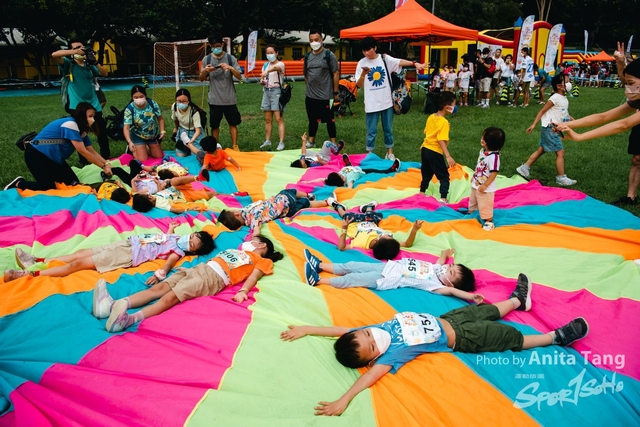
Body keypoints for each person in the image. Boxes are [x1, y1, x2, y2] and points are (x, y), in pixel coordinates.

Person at [280, 274, 589, 416]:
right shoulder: (391, 355)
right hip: (464, 339)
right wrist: (344, 399)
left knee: (487, 310)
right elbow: (368, 378)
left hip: (452, 317)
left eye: (368, 336)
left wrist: (308, 329)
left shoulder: (374, 329)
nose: (374, 339)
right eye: (372, 347)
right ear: (373, 359)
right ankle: (556, 337)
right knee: (508, 338)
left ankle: (518, 300)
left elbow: (340, 329)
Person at [94, 235, 282, 332]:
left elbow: (253, 277)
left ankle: (127, 320)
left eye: (252, 240)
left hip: (213, 278)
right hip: (201, 268)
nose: (248, 241)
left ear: (262, 245)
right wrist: (191, 270)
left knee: (170, 297)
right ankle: (109, 307)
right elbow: (256, 234)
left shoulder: (263, 260)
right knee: (159, 288)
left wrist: (243, 291)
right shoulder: (243, 250)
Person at [558, 48, 640, 205]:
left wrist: (580, 136)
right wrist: (566, 124)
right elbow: (604, 116)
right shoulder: (637, 100)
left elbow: (623, 125)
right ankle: (631, 197)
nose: (627, 88)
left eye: (631, 83)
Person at [3, 223, 214, 283]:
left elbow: (168, 263)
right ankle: (38, 259)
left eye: (193, 244)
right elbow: (164, 239)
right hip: (126, 243)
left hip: (127, 255)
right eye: (193, 236)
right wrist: (171, 229)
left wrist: (159, 275)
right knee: (80, 253)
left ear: (192, 251)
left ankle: (27, 274)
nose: (189, 240)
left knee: (77, 265)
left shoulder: (178, 251)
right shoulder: (176, 238)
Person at [5, 102, 114, 192]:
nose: (93, 119)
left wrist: (106, 164)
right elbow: (83, 151)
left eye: (93, 116)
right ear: (81, 116)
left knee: (73, 183)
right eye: (90, 116)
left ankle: (51, 176)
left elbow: (92, 151)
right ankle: (19, 183)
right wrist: (103, 166)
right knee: (48, 187)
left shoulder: (82, 131)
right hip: (36, 155)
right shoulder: (71, 125)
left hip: (54, 160)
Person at [303, 248, 477, 299]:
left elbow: (453, 291)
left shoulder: (435, 285)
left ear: (449, 283)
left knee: (352, 279)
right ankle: (320, 265)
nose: (447, 268)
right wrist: (446, 253)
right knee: (352, 265)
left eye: (451, 272)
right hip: (386, 267)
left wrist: (471, 297)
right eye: (451, 266)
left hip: (386, 279)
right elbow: (441, 260)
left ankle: (317, 280)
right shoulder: (436, 268)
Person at [355, 37, 425, 160]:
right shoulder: (361, 63)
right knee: (371, 131)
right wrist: (363, 75)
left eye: (369, 50)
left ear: (375, 47)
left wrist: (415, 64)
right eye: (364, 51)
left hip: (386, 101)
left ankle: (390, 153)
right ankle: (369, 154)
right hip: (371, 103)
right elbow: (359, 85)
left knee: (388, 129)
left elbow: (399, 62)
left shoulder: (384, 59)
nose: (366, 53)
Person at [51, 39, 110, 161]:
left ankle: (106, 156)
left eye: (82, 47)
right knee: (80, 133)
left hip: (94, 104)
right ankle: (83, 159)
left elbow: (105, 73)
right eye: (77, 48)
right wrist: (74, 52)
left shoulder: (89, 66)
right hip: (77, 105)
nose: (80, 50)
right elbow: (54, 54)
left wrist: (94, 61)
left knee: (101, 132)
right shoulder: (68, 64)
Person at [517, 75, 576, 186]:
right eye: (566, 82)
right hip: (550, 129)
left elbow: (564, 112)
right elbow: (542, 111)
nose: (569, 84)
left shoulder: (563, 98)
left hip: (552, 128)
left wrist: (574, 121)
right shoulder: (555, 98)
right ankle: (561, 178)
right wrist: (534, 124)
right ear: (559, 86)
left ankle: (524, 168)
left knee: (542, 149)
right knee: (560, 153)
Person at [330, 201, 423, 261]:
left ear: (376, 239)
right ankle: (368, 207)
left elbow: (341, 247)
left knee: (345, 216)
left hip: (355, 222)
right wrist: (414, 229)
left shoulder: (361, 243)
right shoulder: (387, 243)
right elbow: (407, 244)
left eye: (387, 235)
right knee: (374, 216)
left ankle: (338, 206)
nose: (389, 234)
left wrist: (344, 228)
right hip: (371, 221)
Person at [217, 189, 337, 235]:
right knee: (302, 200)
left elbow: (255, 229)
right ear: (236, 214)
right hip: (286, 206)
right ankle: (326, 201)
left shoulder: (247, 216)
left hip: (283, 203)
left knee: (301, 201)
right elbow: (256, 231)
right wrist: (254, 237)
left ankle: (320, 200)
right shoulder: (252, 219)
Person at [198, 33, 243, 151]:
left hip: (229, 99)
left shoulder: (230, 58)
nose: (216, 48)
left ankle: (235, 146)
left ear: (222, 44)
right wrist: (205, 71)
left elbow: (239, 77)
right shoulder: (207, 59)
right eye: (213, 46)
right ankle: (214, 147)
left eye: (218, 45)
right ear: (210, 46)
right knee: (214, 125)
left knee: (233, 123)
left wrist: (230, 68)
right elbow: (201, 78)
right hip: (214, 99)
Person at [303, 29, 340, 149]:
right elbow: (305, 75)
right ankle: (311, 141)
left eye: (316, 40)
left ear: (321, 40)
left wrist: (335, 92)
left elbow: (335, 73)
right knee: (312, 119)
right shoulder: (308, 56)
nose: (314, 42)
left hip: (327, 96)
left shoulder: (329, 55)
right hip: (310, 96)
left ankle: (333, 142)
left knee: (330, 119)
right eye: (311, 40)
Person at [420, 91, 457, 203]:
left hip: (425, 149)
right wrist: (448, 156)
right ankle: (443, 198)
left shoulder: (431, 117)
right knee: (444, 176)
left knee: (427, 173)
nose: (455, 107)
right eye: (454, 105)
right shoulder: (444, 122)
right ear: (447, 107)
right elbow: (440, 140)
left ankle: (422, 192)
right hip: (434, 151)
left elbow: (427, 132)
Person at [469, 127, 506, 231]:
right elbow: (479, 165)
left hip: (486, 189)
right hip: (477, 184)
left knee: (485, 205)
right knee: (473, 202)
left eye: (483, 137)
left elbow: (494, 172)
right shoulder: (483, 151)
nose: (481, 139)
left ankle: (489, 221)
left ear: (486, 142)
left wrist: (485, 185)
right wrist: (474, 176)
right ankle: (472, 214)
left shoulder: (494, 157)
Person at [123, 85, 166, 161]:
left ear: (145, 95)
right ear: (132, 97)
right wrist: (129, 142)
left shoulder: (152, 104)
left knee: (159, 156)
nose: (139, 99)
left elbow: (160, 119)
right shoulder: (129, 109)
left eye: (141, 96)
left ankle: (145, 148)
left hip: (152, 134)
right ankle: (134, 148)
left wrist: (162, 131)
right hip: (137, 135)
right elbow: (126, 127)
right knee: (142, 159)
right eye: (136, 97)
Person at [259, 45, 286, 151]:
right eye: (268, 53)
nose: (269, 55)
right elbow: (262, 78)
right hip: (266, 91)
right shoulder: (265, 65)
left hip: (276, 92)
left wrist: (267, 71)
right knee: (268, 119)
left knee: (278, 119)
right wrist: (262, 81)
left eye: (271, 52)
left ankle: (281, 142)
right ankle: (267, 140)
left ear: (276, 53)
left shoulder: (280, 64)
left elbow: (276, 68)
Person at [131, 181, 218, 214]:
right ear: (149, 202)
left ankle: (196, 178)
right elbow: (174, 210)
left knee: (173, 181)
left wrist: (158, 184)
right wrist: (188, 210)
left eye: (147, 194)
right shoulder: (160, 204)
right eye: (148, 196)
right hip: (185, 196)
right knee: (211, 194)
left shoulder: (153, 197)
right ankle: (196, 177)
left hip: (178, 189)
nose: (149, 194)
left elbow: (160, 193)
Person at [324, 155, 401, 188]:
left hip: (351, 168)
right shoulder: (349, 180)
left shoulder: (336, 176)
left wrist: (315, 181)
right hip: (360, 170)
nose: (342, 175)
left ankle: (348, 164)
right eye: (341, 177)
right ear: (342, 181)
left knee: (348, 167)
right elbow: (350, 187)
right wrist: (344, 186)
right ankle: (391, 170)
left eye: (340, 175)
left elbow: (323, 179)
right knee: (375, 170)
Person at [171, 88, 205, 161]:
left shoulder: (194, 111)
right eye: (179, 101)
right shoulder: (174, 106)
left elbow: (198, 130)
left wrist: (192, 140)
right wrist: (176, 128)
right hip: (182, 131)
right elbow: (175, 119)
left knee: (196, 156)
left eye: (184, 101)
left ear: (188, 101)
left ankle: (216, 147)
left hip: (194, 133)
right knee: (180, 156)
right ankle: (187, 144)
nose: (181, 103)